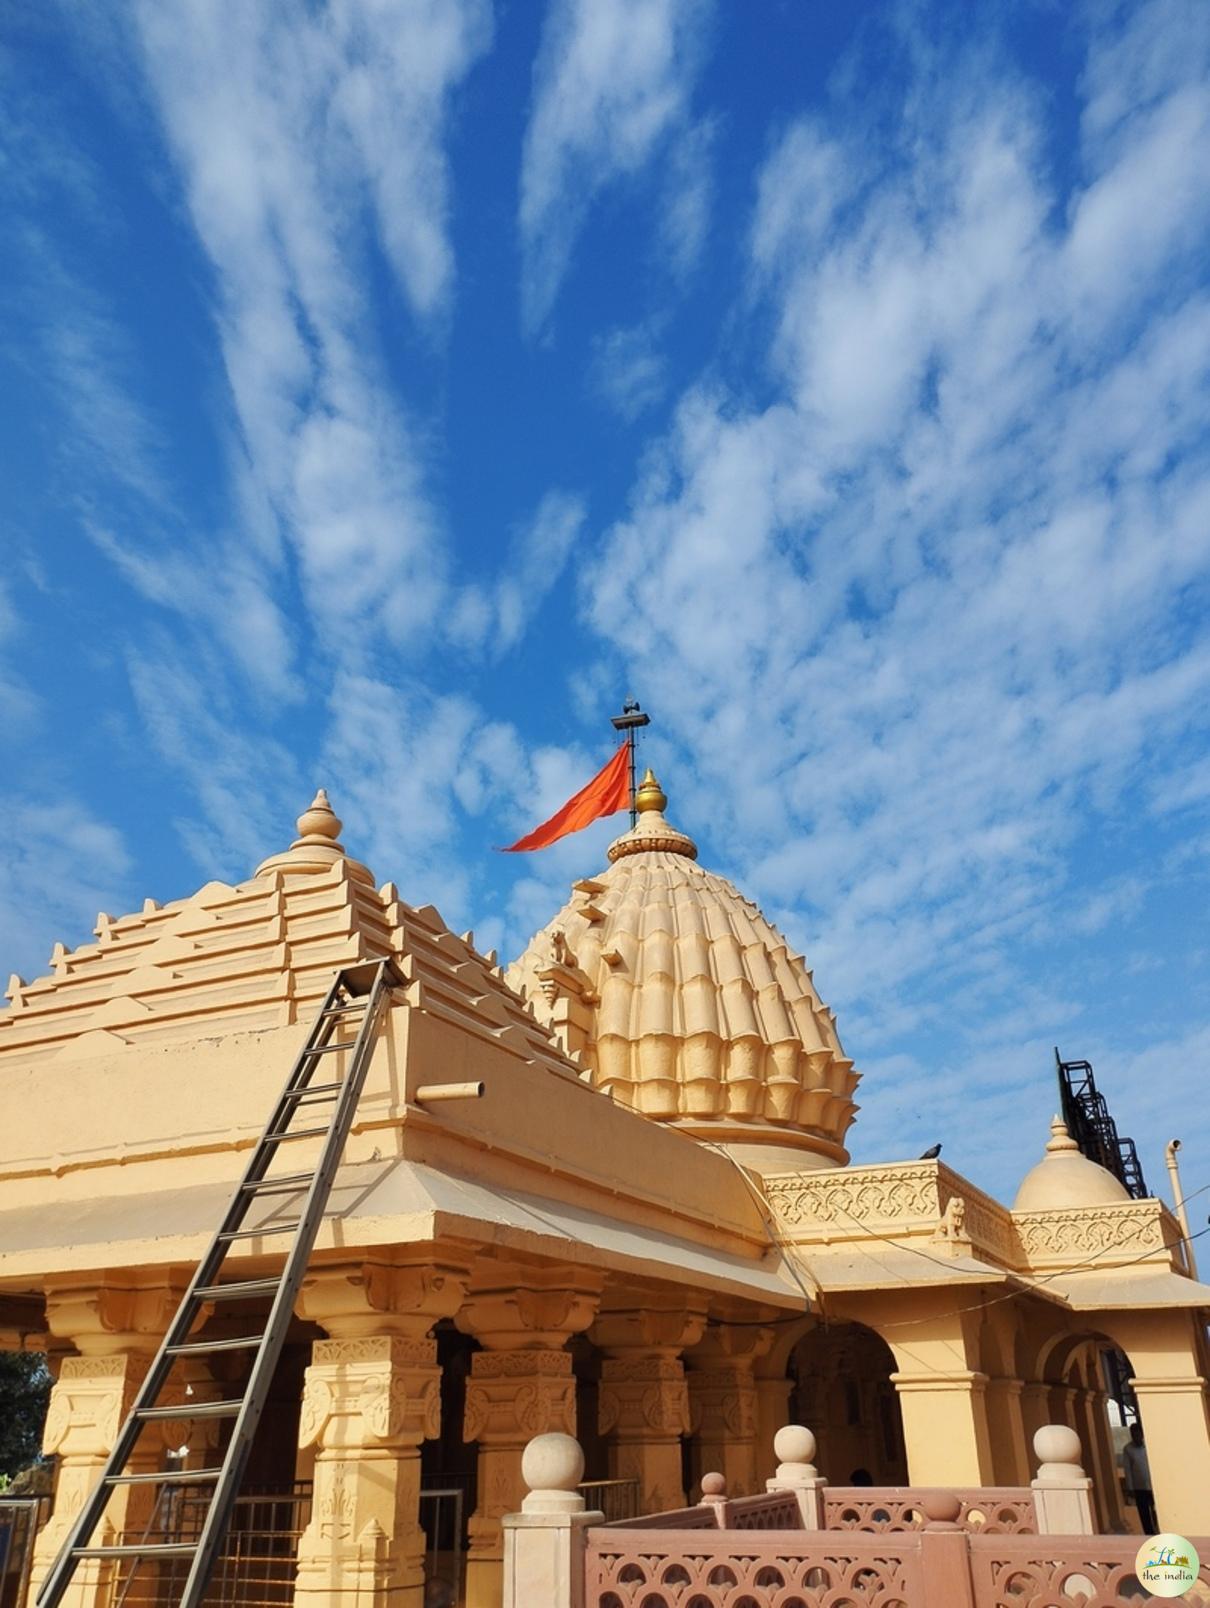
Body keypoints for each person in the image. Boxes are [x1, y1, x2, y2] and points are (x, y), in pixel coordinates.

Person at [1122, 1422, 1157, 1534]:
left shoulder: (1150, 1446)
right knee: (1144, 1513)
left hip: (1153, 1485)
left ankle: (1157, 1529)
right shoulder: (1128, 1449)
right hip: (1139, 1487)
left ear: (1142, 1434)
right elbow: (1127, 1469)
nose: (1136, 1437)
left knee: (1155, 1510)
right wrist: (1130, 1487)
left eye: (1138, 1434)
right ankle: (1149, 1533)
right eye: (1133, 1434)